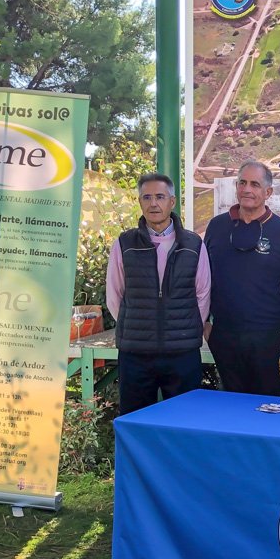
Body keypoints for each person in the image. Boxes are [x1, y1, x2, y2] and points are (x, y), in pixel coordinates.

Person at [106, 173, 211, 415]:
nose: (154, 203)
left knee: (185, 419)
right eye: (147, 197)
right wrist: (137, 324)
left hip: (182, 351)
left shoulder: (193, 244)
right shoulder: (125, 244)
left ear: (172, 202)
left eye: (160, 197)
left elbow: (203, 293)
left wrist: (186, 326)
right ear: (140, 202)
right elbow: (115, 294)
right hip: (136, 353)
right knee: (136, 421)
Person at [203, 160, 280, 395]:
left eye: (255, 184)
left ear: (268, 192)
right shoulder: (217, 227)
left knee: (268, 406)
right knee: (232, 407)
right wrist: (205, 324)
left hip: (268, 339)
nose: (247, 189)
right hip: (224, 337)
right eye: (242, 183)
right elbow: (203, 280)